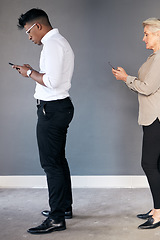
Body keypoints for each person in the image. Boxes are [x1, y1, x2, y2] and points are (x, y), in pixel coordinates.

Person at [13, 8, 75, 234]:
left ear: (38, 26)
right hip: (57, 108)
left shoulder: (53, 44)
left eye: (29, 32)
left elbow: (52, 81)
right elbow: (51, 78)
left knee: (51, 164)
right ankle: (64, 208)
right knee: (58, 161)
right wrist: (32, 71)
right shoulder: (55, 43)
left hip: (53, 110)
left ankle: (57, 218)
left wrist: (29, 74)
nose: (29, 37)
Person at [112, 18, 160, 229]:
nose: (143, 37)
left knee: (148, 163)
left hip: (157, 116)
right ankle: (159, 208)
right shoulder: (155, 57)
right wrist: (127, 79)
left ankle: (159, 213)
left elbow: (146, 88)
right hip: (153, 115)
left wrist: (125, 78)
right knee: (156, 163)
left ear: (157, 34)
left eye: (147, 34)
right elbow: (144, 86)